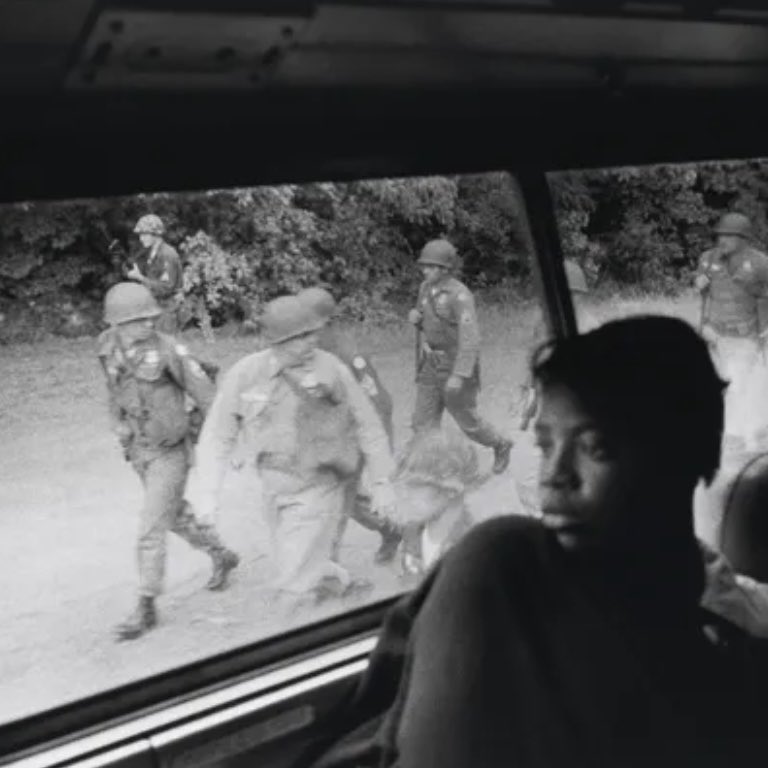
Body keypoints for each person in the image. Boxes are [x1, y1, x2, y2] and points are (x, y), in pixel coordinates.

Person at [304, 316, 765, 768]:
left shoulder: (734, 645)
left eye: (596, 448)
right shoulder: (504, 578)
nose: (553, 476)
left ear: (692, 452)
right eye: (545, 446)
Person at [194, 295, 396, 603]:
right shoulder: (247, 374)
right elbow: (218, 435)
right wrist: (207, 494)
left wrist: (382, 481)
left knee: (293, 580)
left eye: (312, 332)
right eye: (300, 336)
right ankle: (340, 585)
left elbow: (368, 424)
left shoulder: (332, 368)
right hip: (273, 488)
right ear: (277, 342)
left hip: (320, 485)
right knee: (298, 557)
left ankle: (297, 610)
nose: (311, 340)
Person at [97, 282, 239, 641]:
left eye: (150, 317)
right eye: (138, 320)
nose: (148, 324)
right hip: (139, 449)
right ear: (117, 324)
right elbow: (113, 387)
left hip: (170, 450)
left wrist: (223, 445)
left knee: (151, 527)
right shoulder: (107, 346)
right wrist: (117, 422)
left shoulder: (169, 349)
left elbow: (207, 396)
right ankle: (221, 554)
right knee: (173, 516)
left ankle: (146, 605)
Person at [298, 286, 402, 565]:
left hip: (354, 437)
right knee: (350, 501)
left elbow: (378, 404)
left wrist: (378, 456)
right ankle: (391, 529)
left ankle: (327, 571)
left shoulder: (348, 354)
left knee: (335, 502)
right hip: (329, 437)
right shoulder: (307, 351)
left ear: (324, 321)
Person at [408, 238, 512, 474]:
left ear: (444, 269)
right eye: (424, 266)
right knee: (422, 422)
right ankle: (430, 469)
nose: (424, 271)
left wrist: (459, 374)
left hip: (455, 364)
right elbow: (429, 321)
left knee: (468, 422)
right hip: (431, 363)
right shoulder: (425, 289)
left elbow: (470, 338)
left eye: (430, 267)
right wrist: (416, 319)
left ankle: (500, 444)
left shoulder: (460, 295)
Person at [695, 212, 768, 451]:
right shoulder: (707, 259)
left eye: (729, 236)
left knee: (735, 384)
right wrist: (699, 284)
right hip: (714, 335)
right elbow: (702, 290)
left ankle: (737, 436)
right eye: (720, 235)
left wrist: (764, 332)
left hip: (744, 337)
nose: (722, 240)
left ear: (743, 239)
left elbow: (766, 298)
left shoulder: (760, 263)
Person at [393, 429, 478, 577]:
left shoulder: (472, 552)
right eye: (404, 487)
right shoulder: (412, 528)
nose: (404, 495)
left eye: (415, 486)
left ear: (452, 489)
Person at [126, 214, 184, 333]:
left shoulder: (167, 254)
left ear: (156, 234)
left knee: (165, 343)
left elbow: (166, 288)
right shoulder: (153, 251)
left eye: (144, 234)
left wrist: (140, 278)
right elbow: (154, 279)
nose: (141, 238)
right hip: (156, 308)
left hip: (167, 311)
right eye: (140, 235)